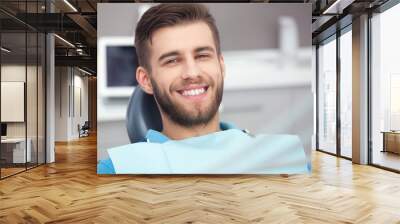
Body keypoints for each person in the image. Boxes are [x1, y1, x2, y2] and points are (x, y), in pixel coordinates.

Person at [98, 3, 309, 174]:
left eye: (202, 56)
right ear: (146, 80)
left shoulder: (283, 159)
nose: (192, 72)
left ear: (221, 65)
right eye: (172, 60)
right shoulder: (116, 169)